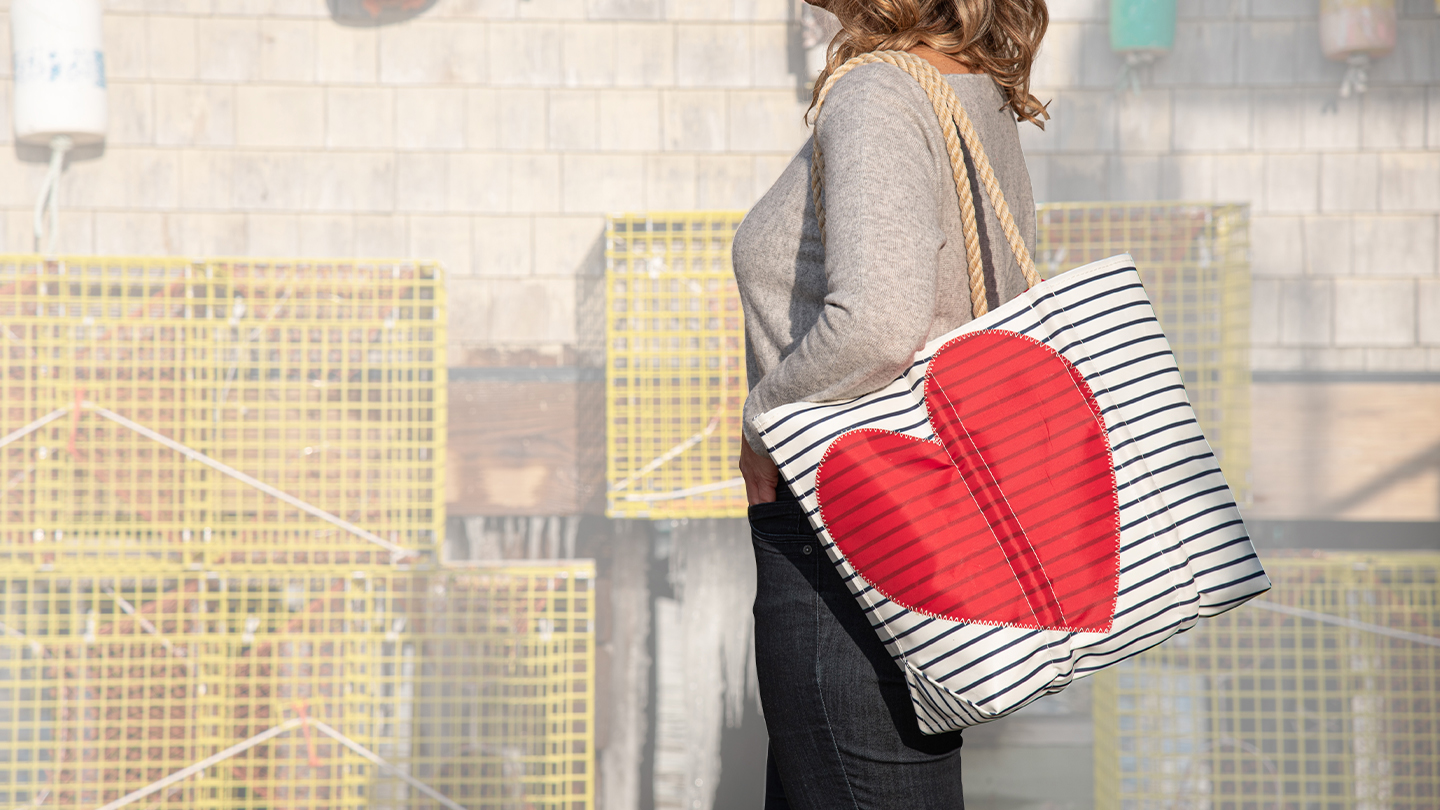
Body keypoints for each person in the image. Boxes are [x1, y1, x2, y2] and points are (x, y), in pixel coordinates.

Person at [731, 1, 1051, 807]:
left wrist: (763, 423)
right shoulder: (966, 87)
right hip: (928, 518)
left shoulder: (881, 92)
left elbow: (877, 324)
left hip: (850, 521)